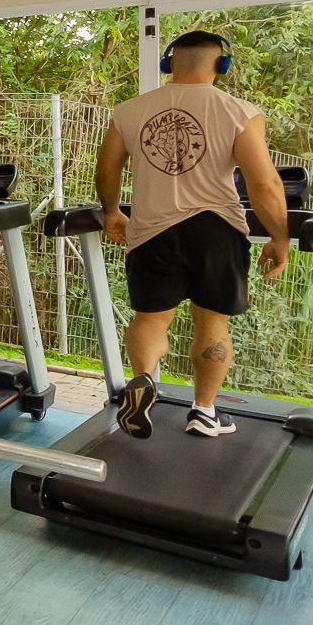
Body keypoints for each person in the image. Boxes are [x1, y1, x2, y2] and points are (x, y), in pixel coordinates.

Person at [95, 30, 289, 440]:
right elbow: (264, 183)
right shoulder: (240, 112)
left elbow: (107, 168)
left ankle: (144, 378)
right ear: (223, 65)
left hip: (151, 230)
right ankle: (203, 412)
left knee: (151, 319)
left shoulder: (129, 111)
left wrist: (111, 211)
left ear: (169, 63)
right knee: (212, 323)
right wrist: (280, 236)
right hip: (215, 228)